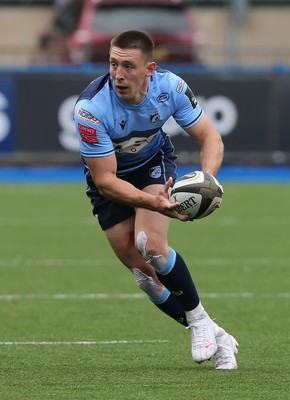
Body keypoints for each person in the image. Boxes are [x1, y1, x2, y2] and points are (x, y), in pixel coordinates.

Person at [73, 30, 238, 370]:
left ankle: (197, 319)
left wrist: (208, 180)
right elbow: (105, 181)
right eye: (113, 64)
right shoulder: (90, 109)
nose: (118, 74)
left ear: (149, 68)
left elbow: (210, 137)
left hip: (153, 165)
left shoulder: (171, 87)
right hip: (111, 181)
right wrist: (154, 204)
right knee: (145, 276)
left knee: (151, 244)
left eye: (128, 66)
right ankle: (215, 332)